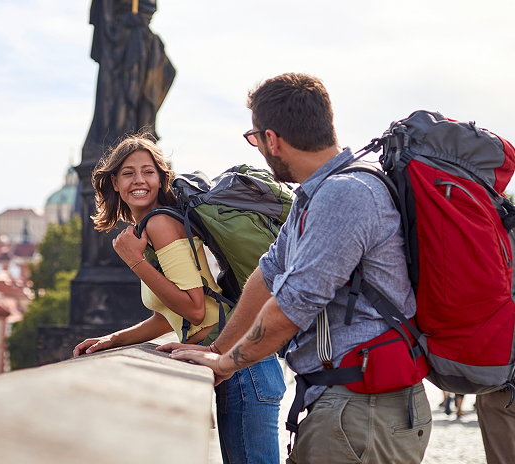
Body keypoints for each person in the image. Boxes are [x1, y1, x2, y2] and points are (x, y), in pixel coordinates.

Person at [167, 73, 432, 463]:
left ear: (272, 139)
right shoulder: (317, 193)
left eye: (255, 139)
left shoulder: (344, 194)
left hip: (364, 408)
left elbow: (294, 304)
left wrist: (226, 362)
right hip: (346, 404)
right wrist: (218, 353)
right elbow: (267, 275)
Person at [72, 134, 283, 464]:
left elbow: (195, 309)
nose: (139, 180)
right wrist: (114, 338)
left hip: (242, 368)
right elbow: (170, 314)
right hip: (240, 364)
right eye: (128, 173)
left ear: (160, 178)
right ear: (114, 181)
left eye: (148, 172)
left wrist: (135, 262)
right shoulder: (153, 226)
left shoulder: (160, 224)